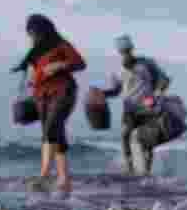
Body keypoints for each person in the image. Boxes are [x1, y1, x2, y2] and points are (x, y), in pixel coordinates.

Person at [11, 14, 86, 195]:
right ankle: (63, 180)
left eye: (34, 32)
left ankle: (44, 177)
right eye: (30, 33)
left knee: (52, 128)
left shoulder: (61, 44)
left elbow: (80, 63)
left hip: (63, 91)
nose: (32, 36)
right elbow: (35, 70)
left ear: (44, 30)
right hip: (41, 95)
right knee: (53, 132)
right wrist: (32, 79)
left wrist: (60, 65)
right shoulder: (35, 50)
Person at [101, 35, 172, 176]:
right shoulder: (116, 69)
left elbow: (164, 80)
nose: (126, 53)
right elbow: (116, 91)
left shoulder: (147, 63)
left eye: (127, 50)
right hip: (130, 108)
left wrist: (156, 95)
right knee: (124, 134)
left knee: (148, 140)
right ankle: (130, 167)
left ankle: (146, 171)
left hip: (148, 107)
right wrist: (102, 93)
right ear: (119, 52)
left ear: (132, 49)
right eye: (122, 51)